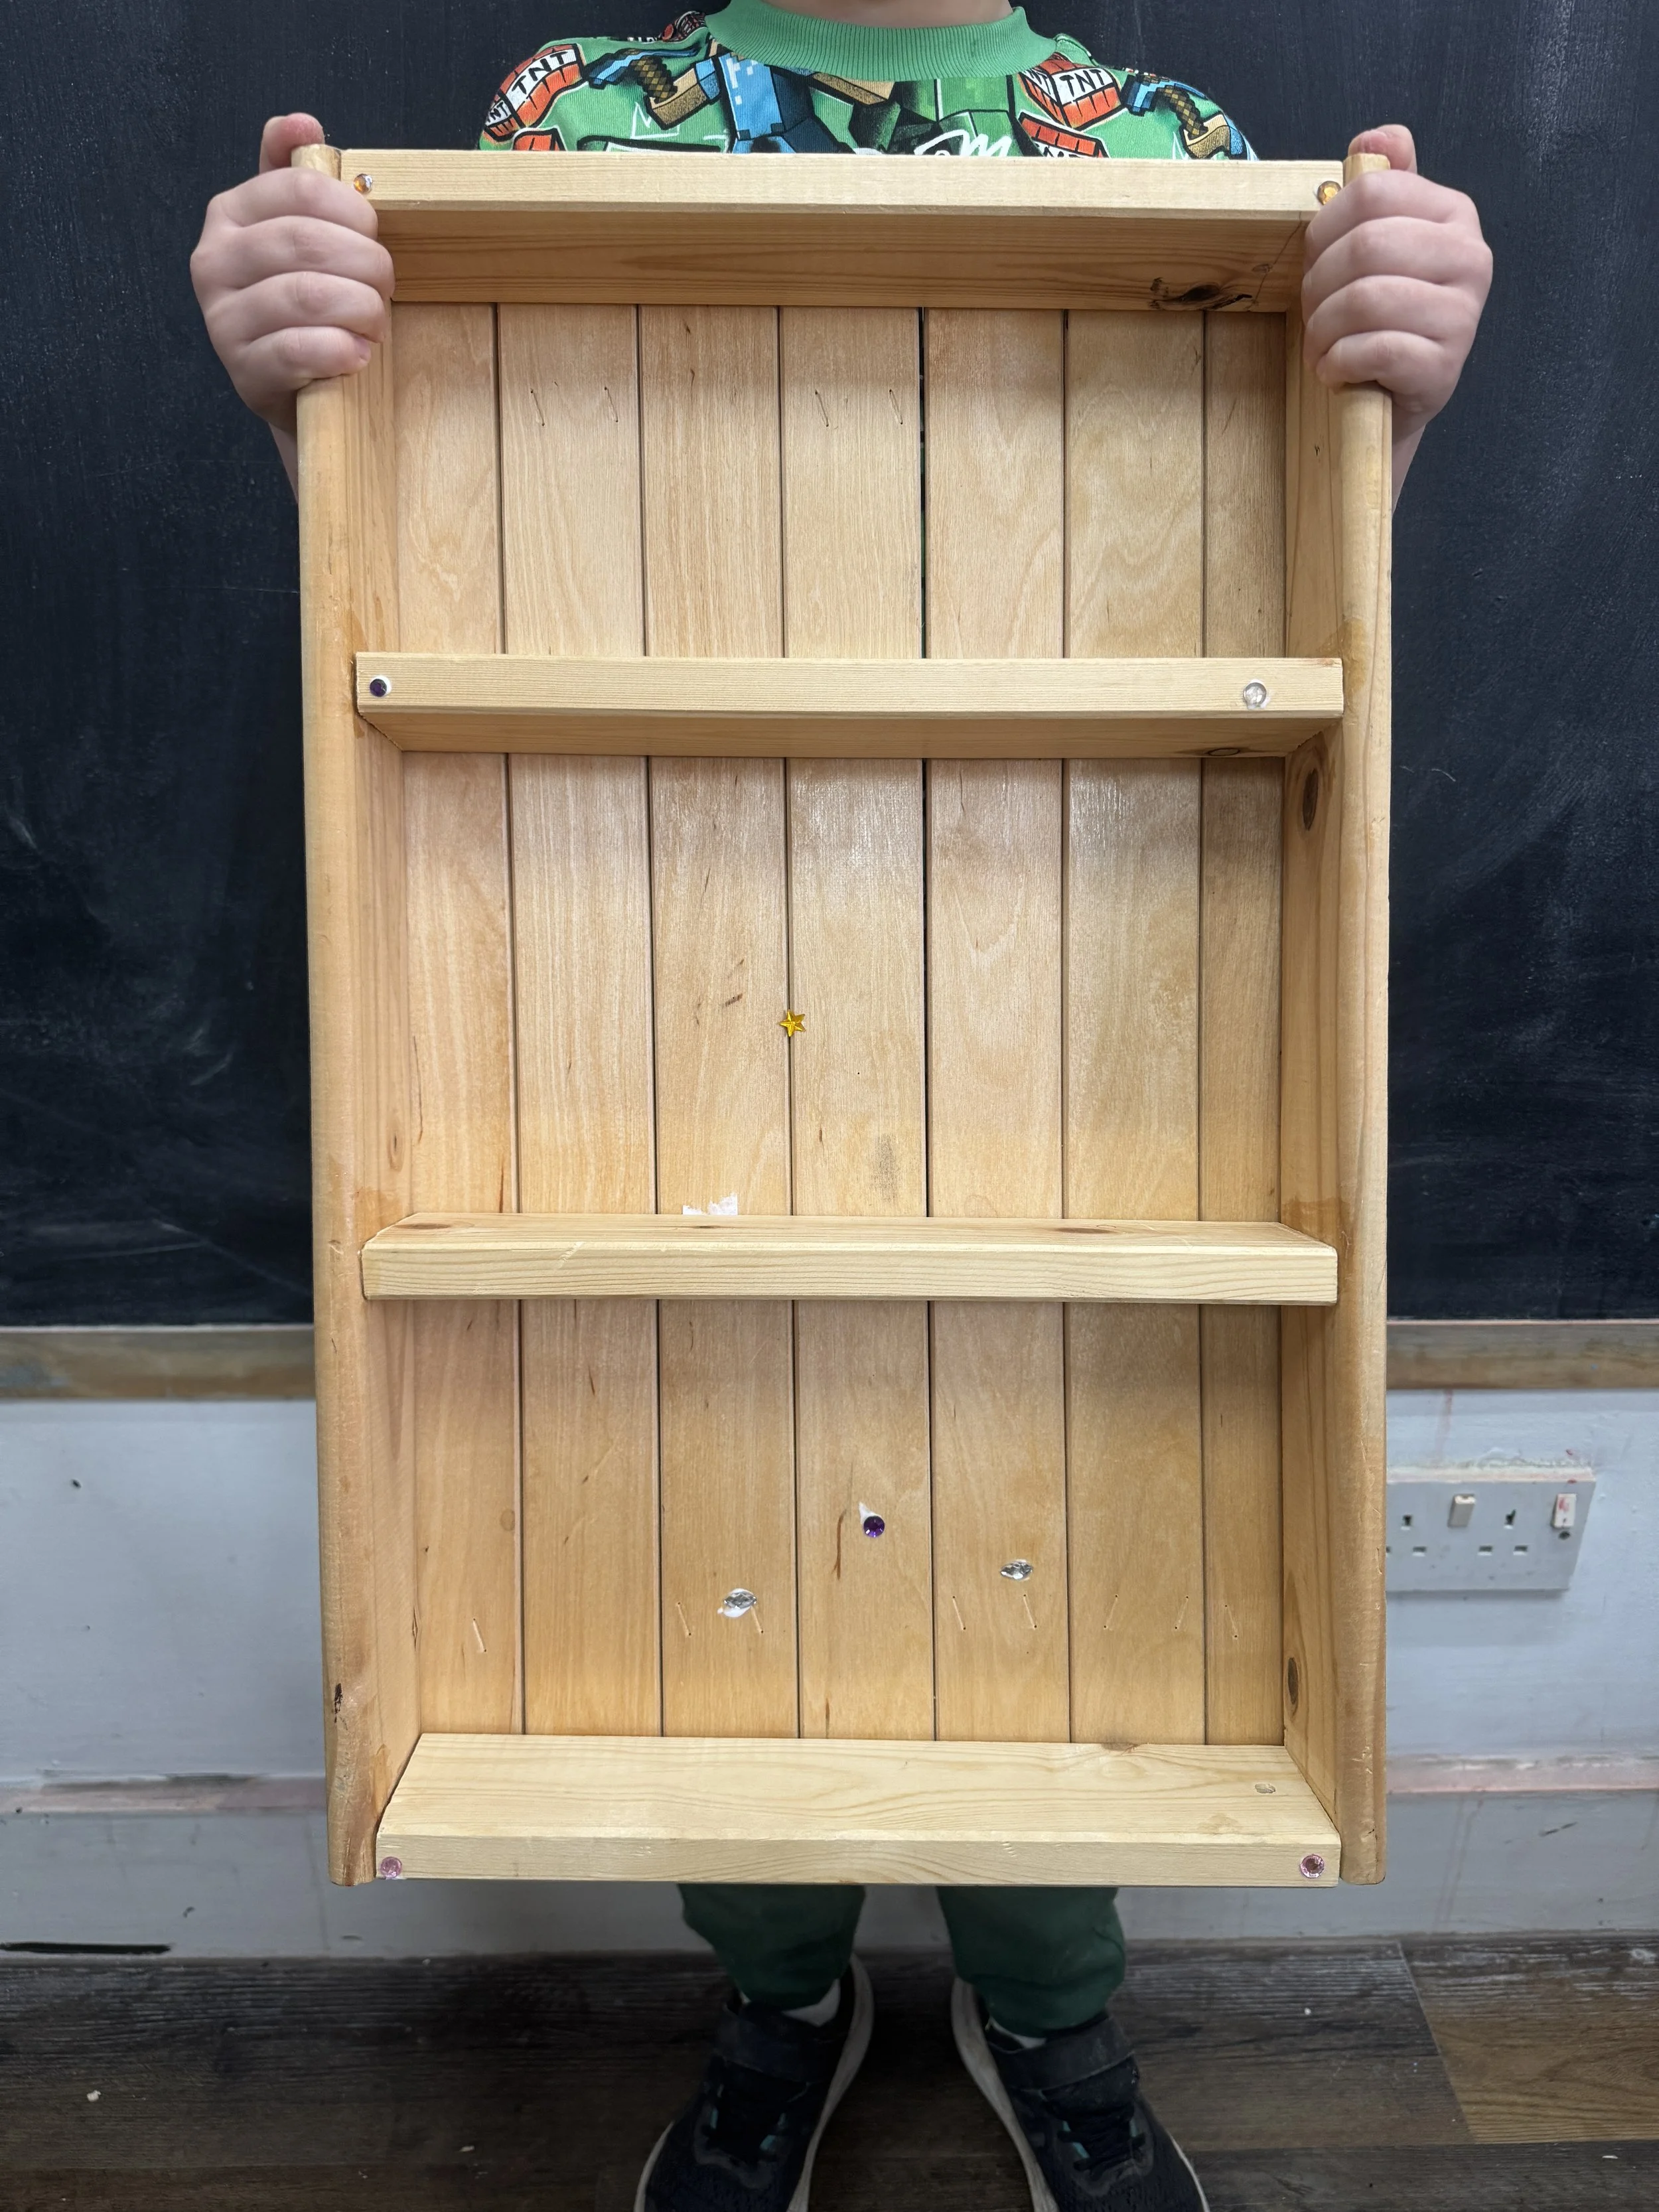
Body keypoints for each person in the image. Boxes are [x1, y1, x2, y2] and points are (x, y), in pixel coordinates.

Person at [191, 7, 1491, 2206]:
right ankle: (780, 1991)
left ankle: (1053, 2012)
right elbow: (430, 509)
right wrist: (300, 370)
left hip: (1088, 1058)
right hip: (636, 1033)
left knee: (1068, 1564)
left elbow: (1273, 554)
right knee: (708, 1563)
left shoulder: (1163, 146)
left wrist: (1387, 385)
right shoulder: (565, 119)